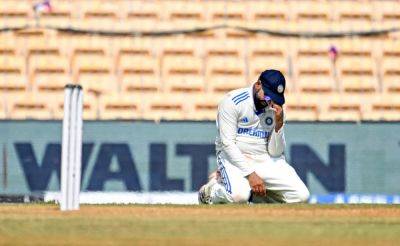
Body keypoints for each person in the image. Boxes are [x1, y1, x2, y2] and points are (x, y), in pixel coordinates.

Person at [198, 69, 310, 204]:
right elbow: (227, 144)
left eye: (274, 98)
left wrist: (278, 125)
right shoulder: (232, 102)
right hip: (234, 158)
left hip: (264, 158)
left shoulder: (276, 110)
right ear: (258, 85)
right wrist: (251, 174)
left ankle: (253, 196)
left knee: (301, 196)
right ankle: (212, 191)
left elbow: (276, 152)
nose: (270, 102)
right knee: (239, 196)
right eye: (268, 96)